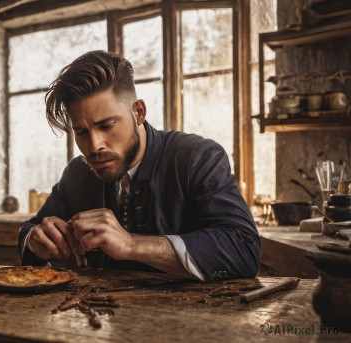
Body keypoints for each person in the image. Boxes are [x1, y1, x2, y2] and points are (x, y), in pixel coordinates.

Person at [17, 50, 260, 281]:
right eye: (81, 131)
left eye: (107, 125)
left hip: (193, 319)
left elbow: (243, 248)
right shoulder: (77, 173)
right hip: (100, 320)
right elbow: (31, 230)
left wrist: (132, 245)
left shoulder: (198, 158)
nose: (94, 146)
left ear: (139, 112)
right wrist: (35, 240)